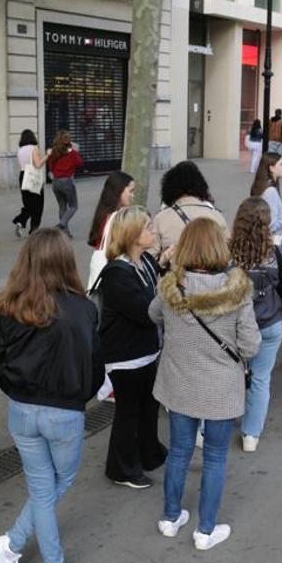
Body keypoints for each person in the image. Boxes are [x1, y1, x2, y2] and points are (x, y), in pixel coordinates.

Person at [0, 229, 102, 563]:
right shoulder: (83, 308)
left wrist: (17, 391)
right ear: (66, 261)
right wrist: (81, 397)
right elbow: (95, 365)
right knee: (56, 484)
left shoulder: (9, 305)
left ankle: (28, 556)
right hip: (65, 412)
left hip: (21, 409)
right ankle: (33, 557)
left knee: (41, 487)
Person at [150, 218, 260, 551]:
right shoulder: (237, 292)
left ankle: (170, 518)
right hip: (221, 391)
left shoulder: (172, 288)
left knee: (180, 451)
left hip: (180, 385)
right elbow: (251, 345)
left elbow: (153, 314)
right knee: (214, 457)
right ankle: (206, 530)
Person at [94, 207, 166, 489]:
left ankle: (148, 454)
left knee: (148, 406)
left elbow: (155, 290)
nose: (153, 231)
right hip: (125, 357)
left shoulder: (145, 260)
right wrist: (166, 294)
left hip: (147, 351)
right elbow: (145, 311)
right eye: (147, 227)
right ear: (133, 235)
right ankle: (121, 469)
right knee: (128, 412)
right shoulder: (116, 273)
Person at [230, 198, 282, 450]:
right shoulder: (276, 254)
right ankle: (251, 435)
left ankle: (208, 428)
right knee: (261, 379)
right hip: (269, 323)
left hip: (233, 326)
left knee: (228, 376)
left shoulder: (226, 253)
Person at [152, 160, 226, 267]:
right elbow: (227, 254)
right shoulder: (217, 216)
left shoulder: (161, 218)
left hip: (174, 280)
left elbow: (151, 258)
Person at [86, 171, 135, 289]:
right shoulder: (116, 218)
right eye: (130, 191)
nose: (133, 196)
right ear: (118, 190)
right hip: (113, 274)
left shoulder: (104, 213)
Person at [46, 130, 83, 237]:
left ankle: (65, 232)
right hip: (67, 181)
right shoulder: (72, 152)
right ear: (68, 140)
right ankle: (61, 225)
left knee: (62, 207)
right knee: (73, 206)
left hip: (56, 182)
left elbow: (51, 166)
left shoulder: (53, 152)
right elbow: (80, 163)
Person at [14, 129, 48, 237]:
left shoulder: (20, 150)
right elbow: (38, 164)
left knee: (28, 203)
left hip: (23, 176)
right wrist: (47, 156)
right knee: (38, 204)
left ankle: (21, 221)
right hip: (33, 177)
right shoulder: (34, 149)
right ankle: (34, 229)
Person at [250, 152, 282, 242]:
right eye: (281, 164)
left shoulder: (262, 185)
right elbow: (271, 224)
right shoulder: (270, 192)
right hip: (273, 242)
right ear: (271, 168)